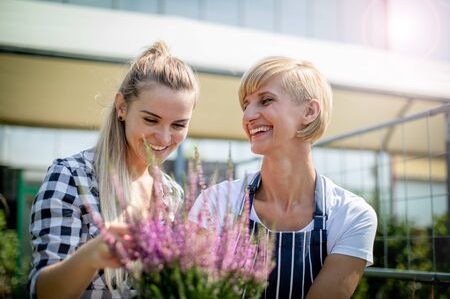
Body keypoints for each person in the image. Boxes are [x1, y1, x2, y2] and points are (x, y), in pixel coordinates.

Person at [189, 56, 377, 298]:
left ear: (309, 111)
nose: (248, 116)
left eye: (265, 100)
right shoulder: (215, 201)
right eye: (245, 105)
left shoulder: (352, 216)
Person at [29, 41, 199, 299]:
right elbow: (44, 293)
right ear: (122, 107)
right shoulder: (72, 177)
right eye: (151, 120)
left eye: (178, 125)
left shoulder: (172, 194)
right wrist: (93, 254)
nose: (164, 137)